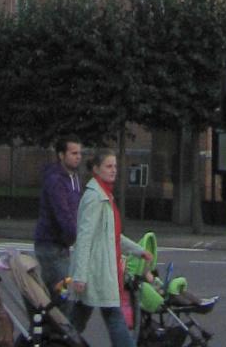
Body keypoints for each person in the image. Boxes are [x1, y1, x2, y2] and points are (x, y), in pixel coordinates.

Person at [68, 148, 149, 347]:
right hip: (98, 272)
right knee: (114, 316)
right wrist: (80, 275)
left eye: (115, 166)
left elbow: (112, 236)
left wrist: (138, 250)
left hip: (101, 272)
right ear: (96, 169)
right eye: (108, 166)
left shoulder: (106, 196)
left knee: (78, 319)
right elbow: (84, 238)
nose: (113, 170)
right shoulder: (95, 197)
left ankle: (58, 341)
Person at [33, 137, 83, 304]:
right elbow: (63, 214)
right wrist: (75, 237)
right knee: (63, 296)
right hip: (51, 246)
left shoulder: (74, 178)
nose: (78, 157)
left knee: (52, 295)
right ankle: (56, 328)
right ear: (61, 155)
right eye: (73, 153)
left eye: (80, 153)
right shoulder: (55, 180)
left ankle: (45, 326)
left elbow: (75, 211)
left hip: (61, 246)